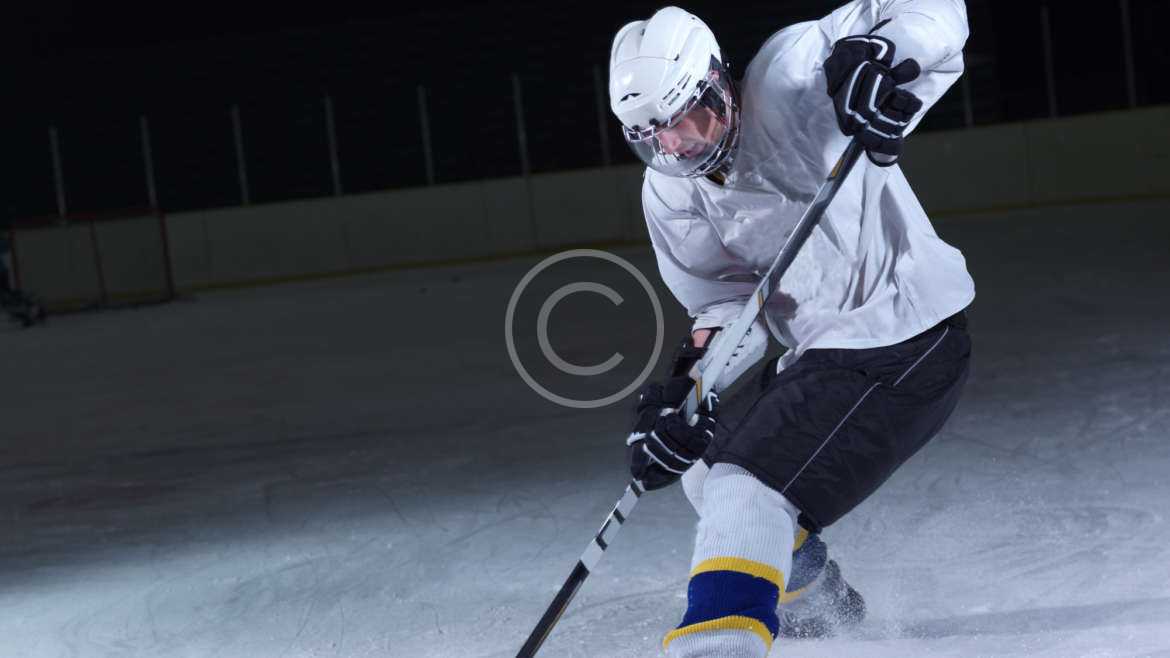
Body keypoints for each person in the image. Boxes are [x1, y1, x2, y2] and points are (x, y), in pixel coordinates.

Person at [611, 2, 974, 656]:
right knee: (703, 468)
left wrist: (882, 57)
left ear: (718, 86)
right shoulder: (670, 192)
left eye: (680, 119)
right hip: (824, 354)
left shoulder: (793, 79)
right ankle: (819, 597)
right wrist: (685, 393)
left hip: (906, 340)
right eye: (649, 134)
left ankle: (721, 640)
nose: (671, 145)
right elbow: (726, 306)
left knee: (744, 488)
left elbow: (935, 11)